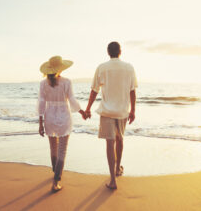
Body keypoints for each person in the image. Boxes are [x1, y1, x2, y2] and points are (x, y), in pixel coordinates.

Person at [85, 42, 137, 190]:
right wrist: (133, 110)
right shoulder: (129, 67)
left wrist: (88, 108)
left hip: (107, 110)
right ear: (120, 51)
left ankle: (113, 179)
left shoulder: (102, 67)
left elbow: (94, 90)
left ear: (108, 52)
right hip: (122, 111)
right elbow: (132, 91)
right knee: (120, 139)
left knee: (109, 143)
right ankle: (117, 169)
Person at [38, 55, 86, 193]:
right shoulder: (66, 82)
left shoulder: (43, 83)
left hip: (49, 117)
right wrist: (82, 111)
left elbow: (41, 103)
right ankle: (56, 181)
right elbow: (72, 99)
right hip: (64, 116)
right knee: (62, 149)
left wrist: (40, 123)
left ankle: (55, 172)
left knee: (53, 147)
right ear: (60, 68)